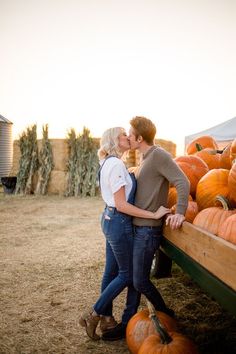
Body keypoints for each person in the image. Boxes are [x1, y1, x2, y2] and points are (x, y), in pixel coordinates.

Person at [102, 116, 190, 341]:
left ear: (140, 138)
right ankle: (127, 320)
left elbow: (182, 181)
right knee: (133, 278)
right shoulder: (145, 157)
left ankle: (166, 314)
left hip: (148, 230)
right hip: (137, 228)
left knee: (139, 280)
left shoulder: (159, 155)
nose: (128, 137)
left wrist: (180, 211)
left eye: (130, 134)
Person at [79, 127, 171, 341]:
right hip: (119, 222)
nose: (127, 137)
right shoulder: (117, 165)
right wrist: (153, 213)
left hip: (109, 219)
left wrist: (132, 172)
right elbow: (122, 204)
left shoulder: (108, 163)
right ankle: (94, 313)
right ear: (114, 140)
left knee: (111, 272)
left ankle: (107, 319)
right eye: (123, 134)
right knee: (127, 274)